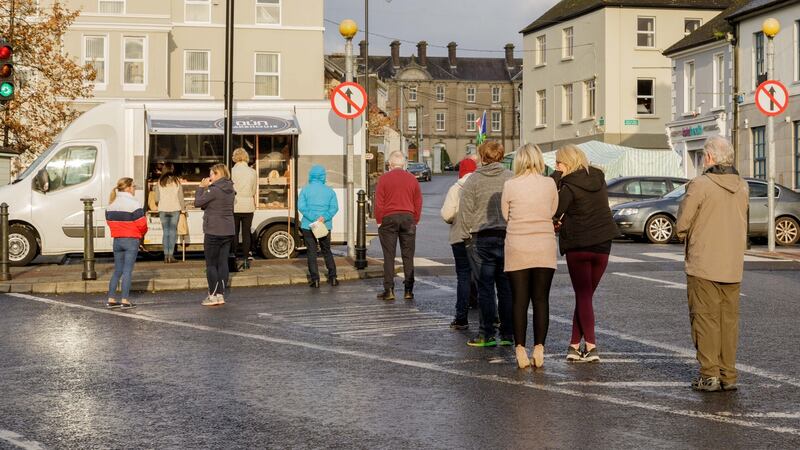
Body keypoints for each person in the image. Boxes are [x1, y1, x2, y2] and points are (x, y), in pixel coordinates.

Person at [676, 137, 748, 392]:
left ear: (708, 158)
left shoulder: (700, 184)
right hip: (732, 263)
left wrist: (684, 235)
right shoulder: (742, 186)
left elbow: (683, 223)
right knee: (729, 322)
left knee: (705, 319)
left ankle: (709, 374)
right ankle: (728, 374)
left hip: (703, 261)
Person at [553, 144, 619, 363]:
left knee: (583, 296)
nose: (556, 166)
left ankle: (590, 346)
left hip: (579, 244)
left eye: (558, 162)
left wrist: (555, 178)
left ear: (567, 163)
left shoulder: (568, 185)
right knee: (586, 297)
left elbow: (555, 211)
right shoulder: (598, 178)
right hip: (603, 244)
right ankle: (573, 345)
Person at [501, 144, 558, 368]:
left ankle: (520, 349)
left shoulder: (510, 185)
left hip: (517, 245)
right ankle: (539, 348)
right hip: (544, 245)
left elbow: (506, 214)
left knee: (519, 300)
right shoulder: (549, 183)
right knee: (541, 299)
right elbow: (553, 210)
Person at [458, 140, 514, 348]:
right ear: (501, 156)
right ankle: (508, 333)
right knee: (506, 288)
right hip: (506, 236)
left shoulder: (473, 180)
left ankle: (486, 334)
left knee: (485, 288)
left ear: (482, 157)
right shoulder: (510, 177)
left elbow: (465, 212)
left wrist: (466, 239)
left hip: (481, 238)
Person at [375, 150, 422, 301]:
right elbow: (418, 201)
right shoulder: (412, 179)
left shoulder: (384, 179)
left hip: (389, 218)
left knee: (389, 256)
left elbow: (379, 202)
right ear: (404, 164)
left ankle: (389, 290)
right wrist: (415, 219)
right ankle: (408, 290)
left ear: (390, 164)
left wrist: (379, 220)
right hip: (408, 218)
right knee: (408, 256)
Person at [440, 157, 478, 330]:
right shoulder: (480, 185)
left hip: (459, 236)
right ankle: (492, 317)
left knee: (463, 275)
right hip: (479, 236)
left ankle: (461, 317)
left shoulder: (456, 188)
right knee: (484, 276)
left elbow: (447, 214)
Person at [195, 163, 236, 306]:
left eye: (212, 174)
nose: (209, 177)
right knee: (223, 263)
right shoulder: (230, 188)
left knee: (211, 264)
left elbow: (198, 202)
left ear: (218, 174)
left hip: (213, 229)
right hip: (228, 230)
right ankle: (220, 294)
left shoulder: (214, 190)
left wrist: (201, 187)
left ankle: (212, 296)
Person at [105, 177, 148, 309]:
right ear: (128, 188)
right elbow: (142, 224)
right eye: (134, 186)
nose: (135, 189)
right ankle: (125, 300)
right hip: (131, 240)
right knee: (128, 271)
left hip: (117, 240)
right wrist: (141, 235)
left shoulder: (111, 205)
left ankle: (111, 299)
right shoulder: (134, 204)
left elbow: (109, 222)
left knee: (117, 270)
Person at [298, 165, 339, 288]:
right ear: (323, 177)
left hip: (308, 225)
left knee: (311, 251)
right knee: (326, 250)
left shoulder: (305, 190)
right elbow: (334, 208)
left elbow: (301, 206)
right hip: (324, 226)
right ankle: (333, 277)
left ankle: (315, 279)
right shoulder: (330, 191)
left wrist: (313, 217)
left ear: (311, 176)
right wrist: (323, 217)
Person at [231, 148, 258, 270]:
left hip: (235, 205)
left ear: (234, 157)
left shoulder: (231, 171)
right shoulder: (252, 172)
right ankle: (246, 260)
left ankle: (234, 258)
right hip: (248, 205)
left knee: (234, 233)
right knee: (246, 233)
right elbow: (253, 190)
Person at [155, 163, 185, 264]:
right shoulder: (177, 181)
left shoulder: (159, 182)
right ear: (172, 169)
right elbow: (181, 197)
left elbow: (156, 198)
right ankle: (170, 256)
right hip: (175, 209)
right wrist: (183, 209)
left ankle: (165, 256)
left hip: (163, 209)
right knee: (172, 233)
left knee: (166, 233)